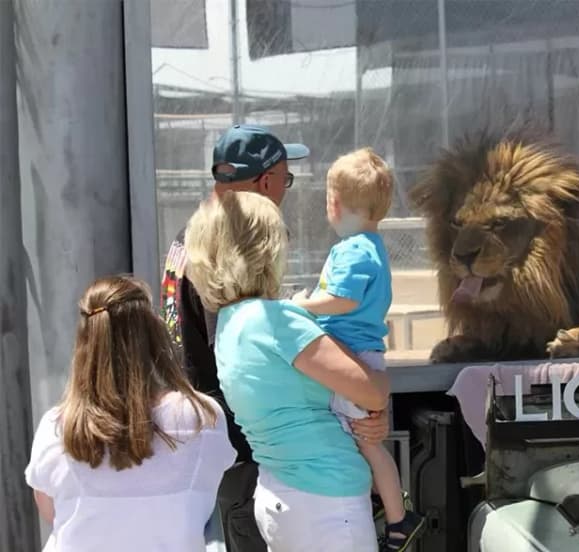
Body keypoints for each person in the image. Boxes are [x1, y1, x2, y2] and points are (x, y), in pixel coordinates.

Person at [160, 124, 391, 551]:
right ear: (266, 181)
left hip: (229, 449)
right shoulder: (253, 306)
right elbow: (266, 358)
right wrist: (354, 393)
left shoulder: (189, 240)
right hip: (258, 460)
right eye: (285, 179)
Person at [25, 275, 236, 551]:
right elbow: (213, 485)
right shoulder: (203, 418)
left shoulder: (57, 427)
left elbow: (52, 513)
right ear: (153, 334)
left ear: (84, 343)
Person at [292, 148, 424, 551]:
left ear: (334, 204)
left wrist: (301, 305)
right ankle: (393, 512)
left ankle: (398, 519)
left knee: (364, 441)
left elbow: (343, 300)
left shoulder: (352, 250)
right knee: (364, 439)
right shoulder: (373, 246)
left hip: (349, 357)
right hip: (361, 354)